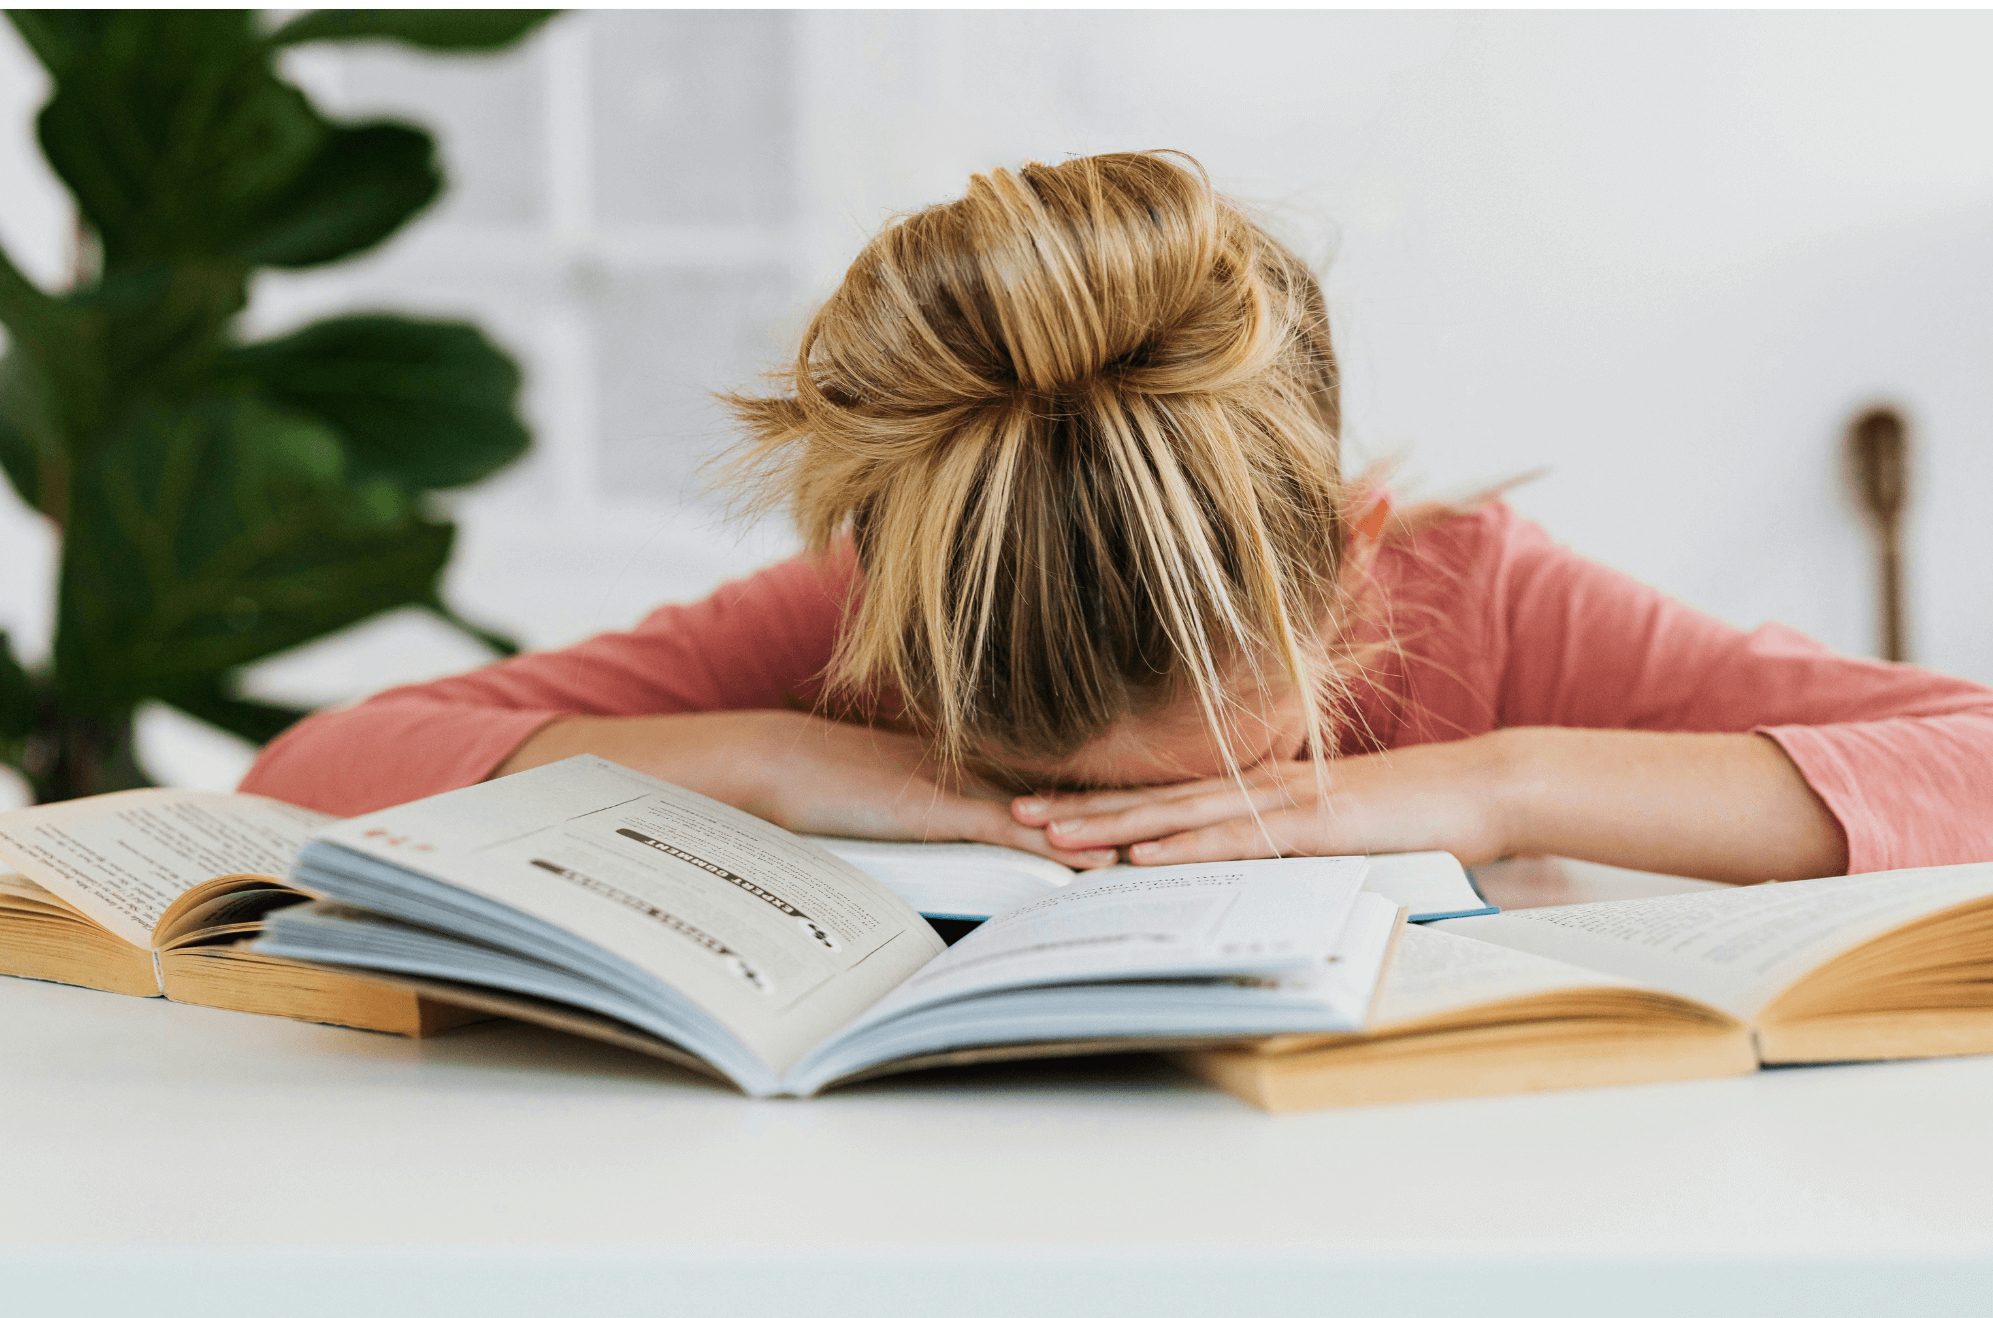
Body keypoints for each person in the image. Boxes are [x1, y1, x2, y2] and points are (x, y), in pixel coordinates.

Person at [241, 152, 1993, 884]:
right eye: (1062, 798)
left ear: (1355, 553)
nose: (1141, 849)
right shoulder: (866, 627)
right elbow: (316, 766)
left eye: (1240, 782)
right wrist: (777, 760)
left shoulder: (1483, 605)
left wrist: (1495, 779)